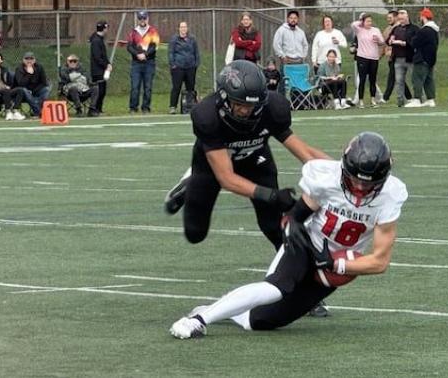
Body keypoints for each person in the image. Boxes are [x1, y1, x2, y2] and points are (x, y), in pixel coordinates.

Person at [170, 131, 408, 339]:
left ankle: (225, 307)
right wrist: (292, 223)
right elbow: (299, 212)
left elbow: (380, 261)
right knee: (275, 288)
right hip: (305, 243)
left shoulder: (390, 195)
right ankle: (199, 319)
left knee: (259, 322)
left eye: (369, 183)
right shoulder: (327, 178)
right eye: (354, 179)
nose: (360, 188)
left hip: (334, 265)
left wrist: (338, 264)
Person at [163, 59, 330, 251]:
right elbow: (227, 179)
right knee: (195, 233)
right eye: (239, 104)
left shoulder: (272, 109)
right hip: (212, 165)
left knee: (275, 227)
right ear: (224, 97)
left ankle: (291, 274)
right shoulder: (208, 116)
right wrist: (272, 195)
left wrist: (339, 172)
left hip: (255, 160)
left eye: (251, 105)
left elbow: (305, 152)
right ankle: (190, 180)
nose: (245, 110)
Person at [127, 10, 160, 114]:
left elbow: (154, 46)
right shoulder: (133, 32)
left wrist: (145, 55)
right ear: (138, 19)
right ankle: (133, 107)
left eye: (144, 18)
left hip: (149, 63)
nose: (142, 20)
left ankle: (145, 107)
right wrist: (137, 54)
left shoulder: (152, 31)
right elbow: (129, 47)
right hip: (136, 63)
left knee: (148, 87)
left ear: (147, 19)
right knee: (135, 87)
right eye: (140, 18)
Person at [408, 8, 440, 108]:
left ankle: (417, 99)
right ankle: (430, 99)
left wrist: (410, 38)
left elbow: (414, 43)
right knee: (428, 80)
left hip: (421, 58)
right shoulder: (435, 31)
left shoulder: (424, 30)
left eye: (421, 16)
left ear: (424, 17)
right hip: (431, 59)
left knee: (417, 78)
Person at [351, 13, 384, 108]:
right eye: (367, 21)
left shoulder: (376, 30)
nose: (370, 23)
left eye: (370, 21)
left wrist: (378, 40)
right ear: (363, 22)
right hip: (362, 58)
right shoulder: (359, 30)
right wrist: (361, 21)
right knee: (362, 79)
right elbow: (353, 24)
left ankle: (373, 99)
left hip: (374, 58)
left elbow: (382, 42)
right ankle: (361, 101)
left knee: (372, 80)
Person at [387, 10, 418, 107]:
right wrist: (390, 40)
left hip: (410, 58)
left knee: (415, 80)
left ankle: (417, 99)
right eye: (399, 19)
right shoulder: (396, 29)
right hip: (398, 59)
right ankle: (400, 101)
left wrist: (404, 43)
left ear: (407, 17)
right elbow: (388, 40)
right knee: (399, 81)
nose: (401, 20)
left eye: (403, 18)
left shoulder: (414, 28)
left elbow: (415, 42)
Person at [273, 9, 309, 95]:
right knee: (284, 83)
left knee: (298, 83)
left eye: (295, 18)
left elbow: (305, 45)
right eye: (291, 18)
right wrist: (282, 56)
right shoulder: (281, 30)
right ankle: (281, 102)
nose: (293, 20)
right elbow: (276, 44)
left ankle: (298, 103)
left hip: (299, 62)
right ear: (288, 19)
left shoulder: (301, 32)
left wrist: (303, 56)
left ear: (298, 19)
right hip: (287, 61)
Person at [168, 21, 200, 114]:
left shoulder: (192, 39)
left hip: (190, 67)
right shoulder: (174, 39)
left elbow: (196, 52)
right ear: (179, 28)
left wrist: (196, 64)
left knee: (190, 87)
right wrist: (173, 64)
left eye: (185, 27)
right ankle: (173, 106)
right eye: (181, 27)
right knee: (176, 87)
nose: (183, 29)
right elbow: (171, 52)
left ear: (187, 28)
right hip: (178, 67)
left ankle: (190, 107)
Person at [14, 52, 50, 117]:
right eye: (27, 59)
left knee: (46, 89)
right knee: (24, 90)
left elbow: (44, 82)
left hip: (36, 89)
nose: (29, 60)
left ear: (34, 60)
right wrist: (29, 74)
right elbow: (20, 83)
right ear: (23, 60)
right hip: (23, 91)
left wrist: (35, 90)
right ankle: (39, 112)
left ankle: (37, 110)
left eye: (31, 59)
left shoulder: (39, 67)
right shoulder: (19, 69)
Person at [89, 20, 111, 114]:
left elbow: (104, 55)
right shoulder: (96, 41)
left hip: (102, 69)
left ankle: (99, 109)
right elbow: (97, 57)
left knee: (103, 90)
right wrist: (106, 65)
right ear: (104, 28)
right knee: (100, 91)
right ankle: (95, 109)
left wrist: (108, 64)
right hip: (97, 70)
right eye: (106, 28)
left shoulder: (99, 39)